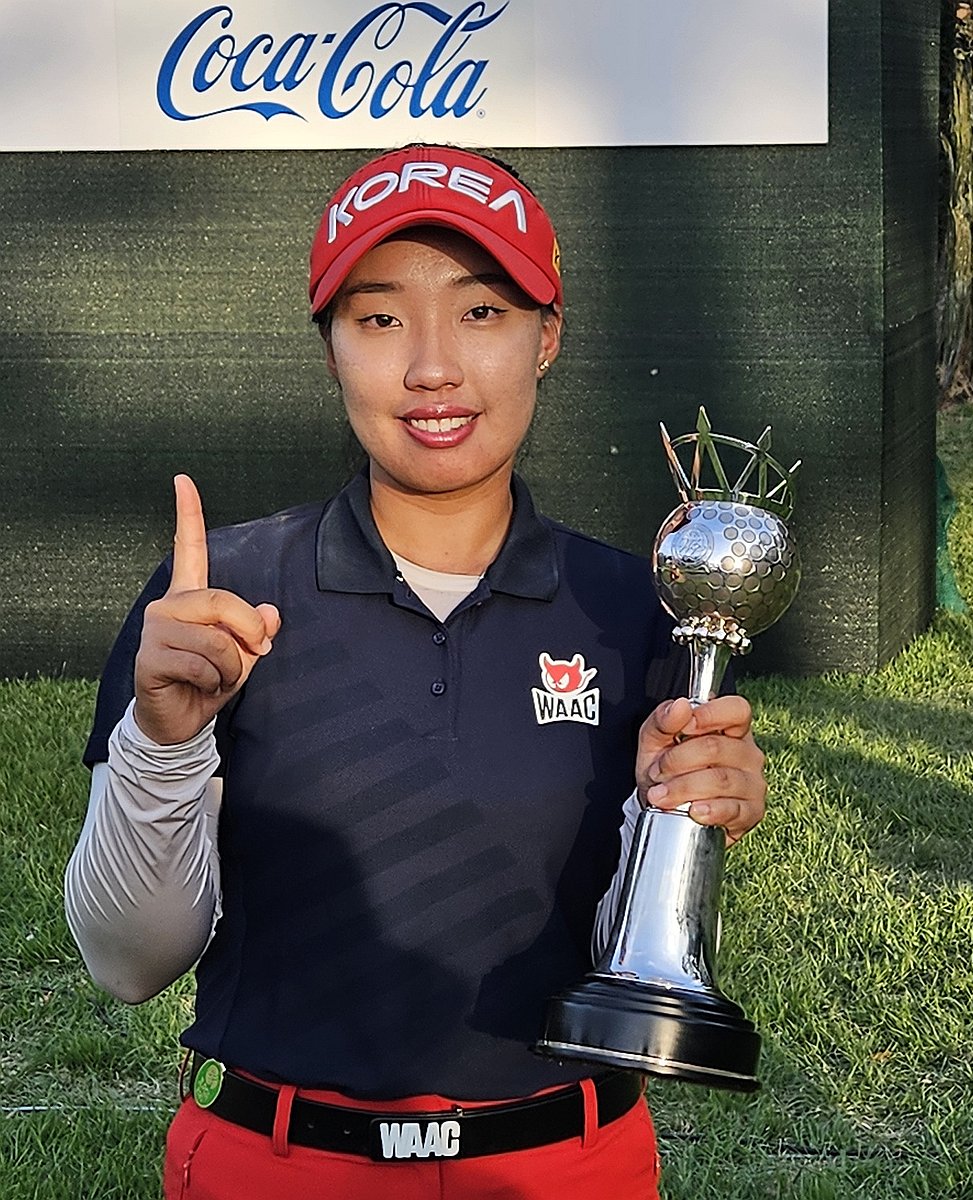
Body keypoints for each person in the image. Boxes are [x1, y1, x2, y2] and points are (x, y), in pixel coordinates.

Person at [65, 144, 767, 1199]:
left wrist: (690, 815)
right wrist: (163, 740)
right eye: (380, 317)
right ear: (332, 346)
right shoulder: (223, 593)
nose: (432, 365)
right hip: (277, 1164)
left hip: (564, 1164)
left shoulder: (636, 605)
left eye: (481, 312)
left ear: (548, 337)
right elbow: (130, 962)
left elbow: (629, 960)